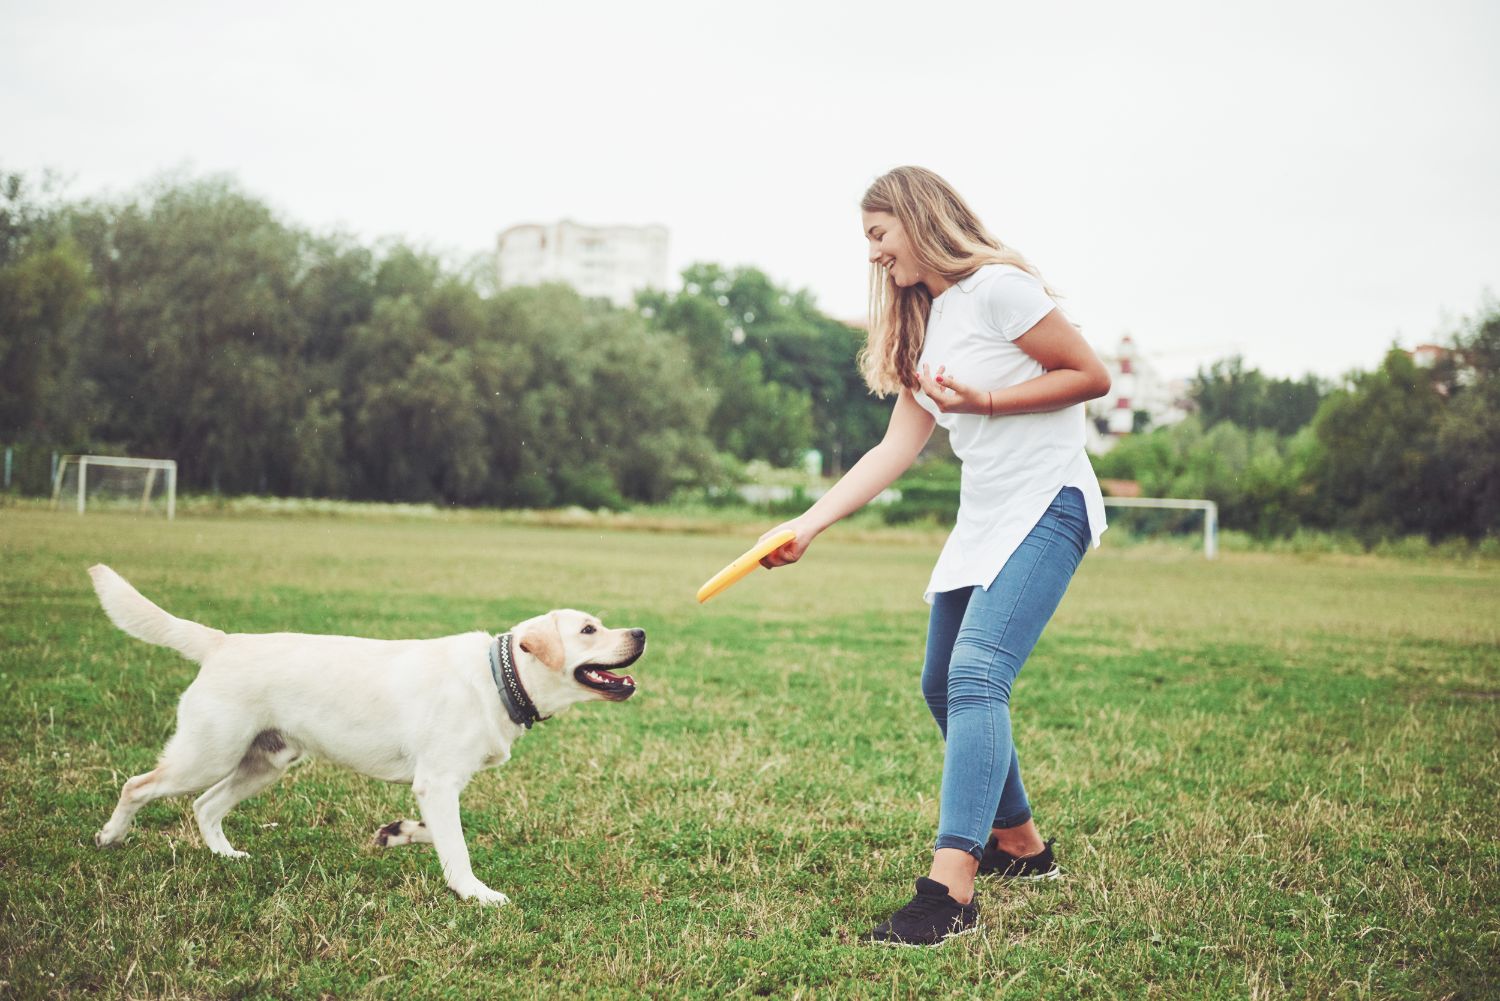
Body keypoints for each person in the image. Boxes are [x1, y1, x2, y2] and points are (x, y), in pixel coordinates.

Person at [758, 166, 1111, 947]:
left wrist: (983, 401)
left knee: (978, 673)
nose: (875, 254)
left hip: (1050, 500)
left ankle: (949, 891)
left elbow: (1090, 375)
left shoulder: (999, 289)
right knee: (940, 683)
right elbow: (896, 448)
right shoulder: (924, 324)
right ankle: (1020, 847)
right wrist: (808, 524)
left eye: (880, 235)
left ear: (920, 221)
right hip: (984, 514)